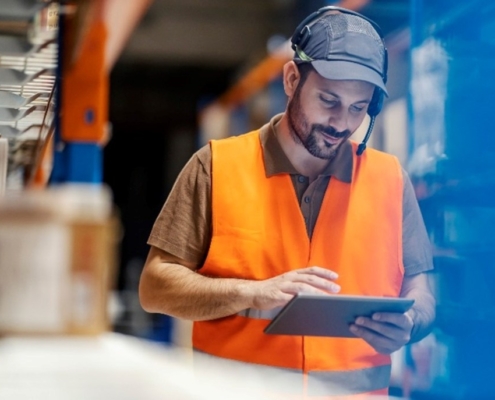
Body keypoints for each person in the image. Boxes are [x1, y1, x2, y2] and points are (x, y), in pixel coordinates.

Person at [138, 6, 436, 399]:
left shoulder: (389, 179)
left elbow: (422, 289)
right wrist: (250, 293)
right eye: (328, 100)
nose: (340, 123)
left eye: (358, 108)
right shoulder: (216, 167)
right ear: (292, 79)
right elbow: (155, 288)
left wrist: (411, 320)